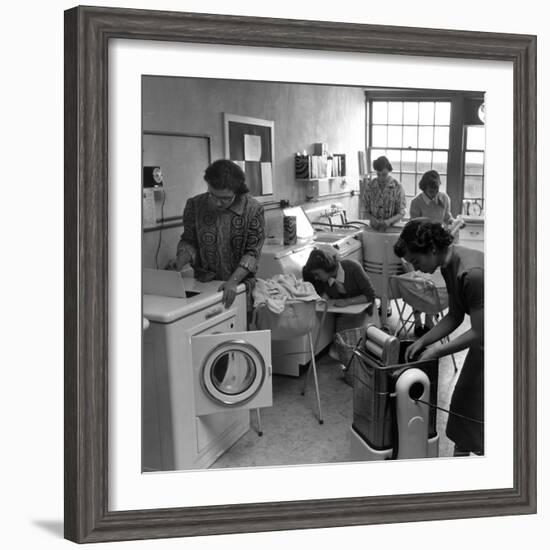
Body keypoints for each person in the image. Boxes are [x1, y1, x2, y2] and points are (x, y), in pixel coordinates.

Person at [394, 219, 484, 456]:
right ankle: (460, 460)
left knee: (482, 407)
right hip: (484, 341)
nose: (417, 267)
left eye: (416, 261)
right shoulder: (446, 265)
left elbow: (480, 330)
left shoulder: (472, 273)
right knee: (464, 404)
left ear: (432, 249)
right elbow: (454, 316)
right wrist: (424, 341)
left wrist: (437, 351)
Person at [175, 159, 265, 311]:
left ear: (237, 191)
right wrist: (180, 261)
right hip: (204, 285)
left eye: (224, 198)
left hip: (239, 284)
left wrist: (233, 281)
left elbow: (252, 253)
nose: (217, 203)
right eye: (212, 195)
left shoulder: (253, 210)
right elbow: (189, 241)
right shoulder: (195, 205)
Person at [408, 170, 456, 335]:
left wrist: (453, 222)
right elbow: (413, 226)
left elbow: (447, 217)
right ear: (424, 188)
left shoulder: (444, 198)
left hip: (437, 248)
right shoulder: (416, 203)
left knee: (433, 284)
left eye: (436, 189)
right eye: (430, 190)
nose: (434, 193)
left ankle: (429, 320)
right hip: (421, 247)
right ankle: (417, 322)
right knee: (419, 284)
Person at [302, 248, 380, 336]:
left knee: (361, 342)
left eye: (317, 274)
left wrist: (347, 302)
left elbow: (370, 295)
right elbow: (327, 294)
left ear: (326, 267)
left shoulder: (353, 267)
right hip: (345, 315)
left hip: (364, 313)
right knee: (342, 342)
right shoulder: (325, 279)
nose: (316, 277)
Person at [363, 156, 406, 232]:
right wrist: (372, 219)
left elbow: (401, 212)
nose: (381, 178)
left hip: (392, 229)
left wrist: (388, 222)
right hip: (374, 229)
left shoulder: (397, 187)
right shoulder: (370, 186)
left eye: (384, 174)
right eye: (378, 174)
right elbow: (365, 210)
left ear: (389, 171)